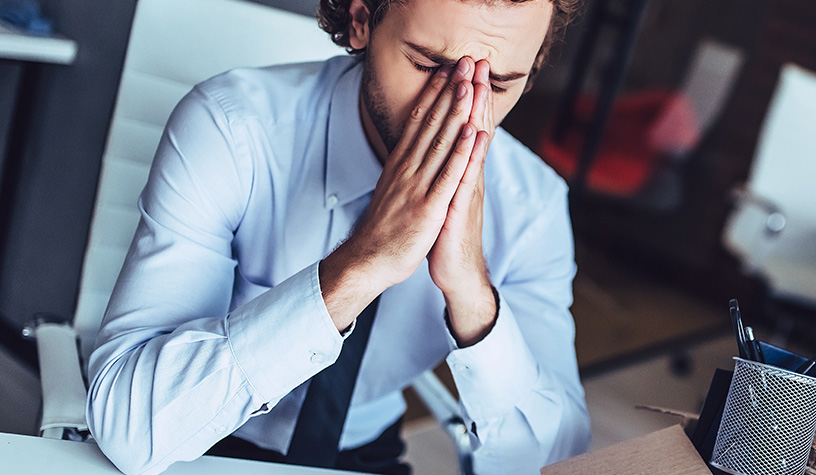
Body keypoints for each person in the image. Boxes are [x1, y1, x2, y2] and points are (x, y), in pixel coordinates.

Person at [84, 0, 590, 473]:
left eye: (498, 85)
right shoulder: (231, 131)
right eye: (428, 65)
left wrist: (474, 297)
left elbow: (559, 460)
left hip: (365, 449)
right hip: (194, 444)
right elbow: (130, 430)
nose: (460, 108)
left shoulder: (533, 206)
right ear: (361, 19)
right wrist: (358, 269)